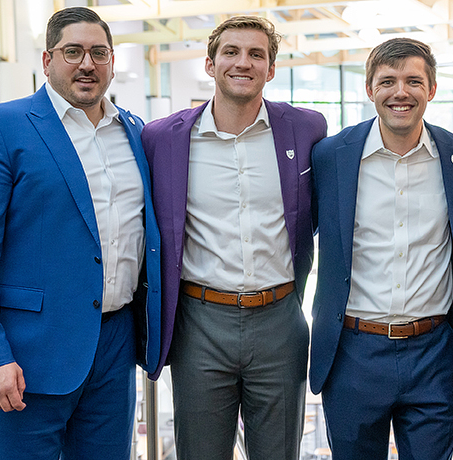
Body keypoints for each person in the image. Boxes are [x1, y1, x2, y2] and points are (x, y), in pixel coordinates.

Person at [0, 7, 161, 459]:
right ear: (47, 60)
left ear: (112, 60)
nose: (87, 64)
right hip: (27, 355)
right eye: (72, 51)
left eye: (99, 53)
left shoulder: (133, 132)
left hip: (114, 347)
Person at [139, 16, 327, 460]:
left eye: (256, 54)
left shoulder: (306, 129)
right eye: (231, 52)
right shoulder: (163, 138)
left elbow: (318, 212)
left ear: (271, 69)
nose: (243, 62)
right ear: (210, 64)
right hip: (199, 323)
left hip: (280, 319)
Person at [309, 37, 453, 460]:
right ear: (370, 88)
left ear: (432, 89)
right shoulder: (331, 156)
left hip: (433, 352)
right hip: (354, 352)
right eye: (387, 81)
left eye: (413, 81)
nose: (400, 92)